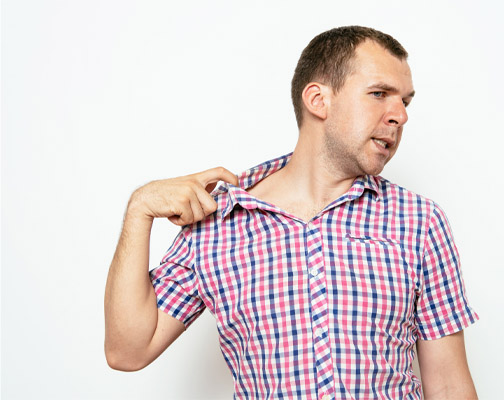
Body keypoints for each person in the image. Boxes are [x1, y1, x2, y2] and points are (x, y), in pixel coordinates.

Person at [104, 26, 479, 399]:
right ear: (318, 100)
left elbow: (448, 385)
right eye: (379, 94)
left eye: (406, 102)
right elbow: (127, 351)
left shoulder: (419, 221)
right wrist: (139, 209)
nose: (399, 115)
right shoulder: (217, 222)